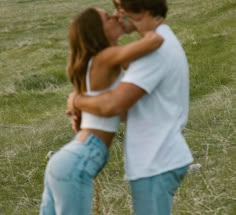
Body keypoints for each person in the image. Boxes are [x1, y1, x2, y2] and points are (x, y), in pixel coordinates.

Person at [67, 0, 193, 214]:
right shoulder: (161, 41)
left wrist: (76, 101)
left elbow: (115, 105)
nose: (117, 16)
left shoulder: (155, 50)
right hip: (155, 159)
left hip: (156, 160)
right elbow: (127, 111)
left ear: (139, 11)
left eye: (120, 9)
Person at [40, 6, 164, 215]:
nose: (115, 16)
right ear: (98, 30)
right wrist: (137, 21)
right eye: (108, 17)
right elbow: (154, 41)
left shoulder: (97, 65)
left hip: (66, 160)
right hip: (77, 162)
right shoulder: (106, 56)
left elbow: (121, 111)